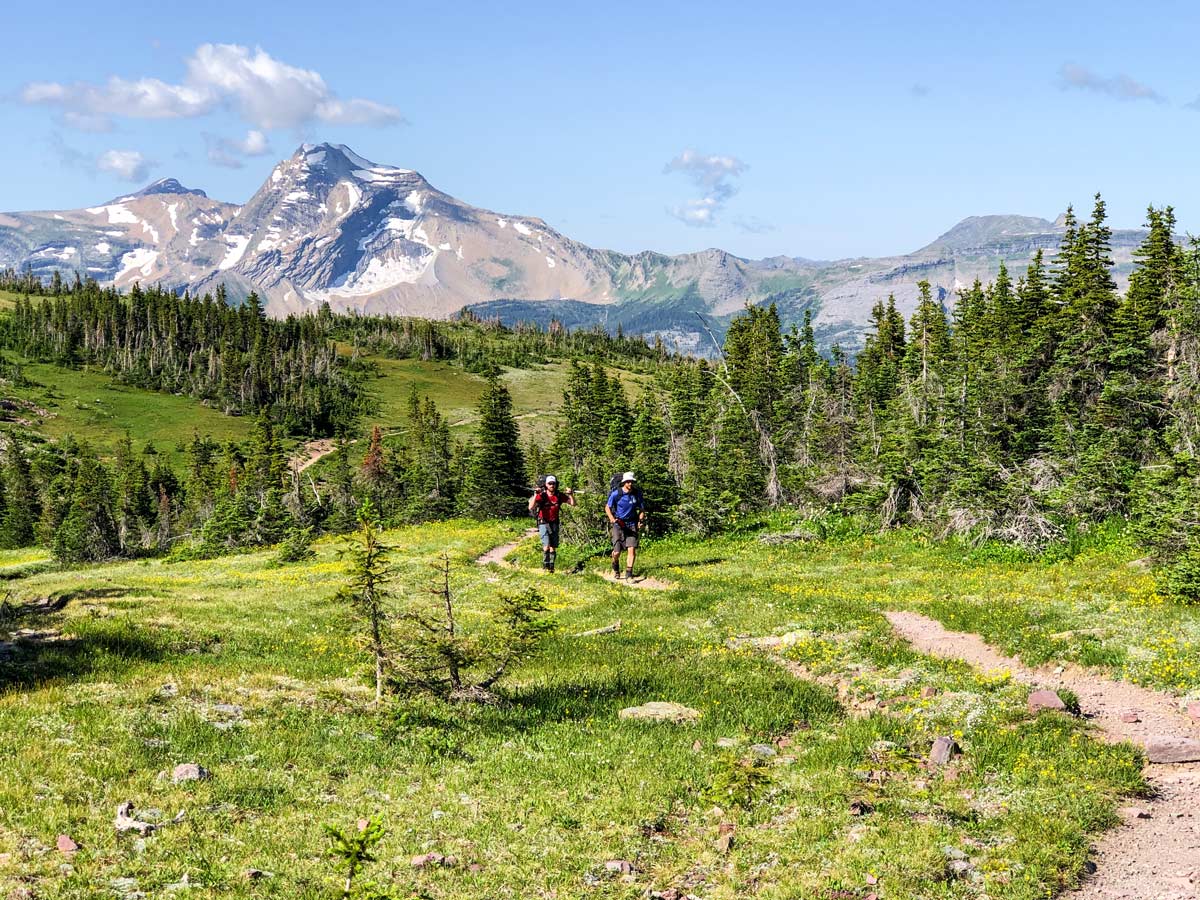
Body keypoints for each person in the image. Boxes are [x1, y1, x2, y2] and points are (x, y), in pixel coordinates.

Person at [528, 475, 575, 572]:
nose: (551, 485)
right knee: (546, 547)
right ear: (546, 485)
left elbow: (573, 504)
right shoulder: (542, 495)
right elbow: (531, 507)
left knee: (553, 548)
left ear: (556, 484)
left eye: (553, 483)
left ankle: (551, 567)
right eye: (549, 483)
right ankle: (545, 566)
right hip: (543, 523)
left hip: (554, 523)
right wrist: (535, 494)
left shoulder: (559, 495)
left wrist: (570, 494)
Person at [606, 471, 646, 580]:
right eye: (628, 482)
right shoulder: (616, 494)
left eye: (632, 482)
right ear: (624, 482)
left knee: (631, 549)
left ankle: (629, 574)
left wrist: (641, 520)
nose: (630, 484)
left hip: (632, 524)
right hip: (618, 524)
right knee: (617, 552)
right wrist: (612, 519)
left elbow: (642, 509)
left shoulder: (637, 494)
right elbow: (607, 507)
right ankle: (615, 565)